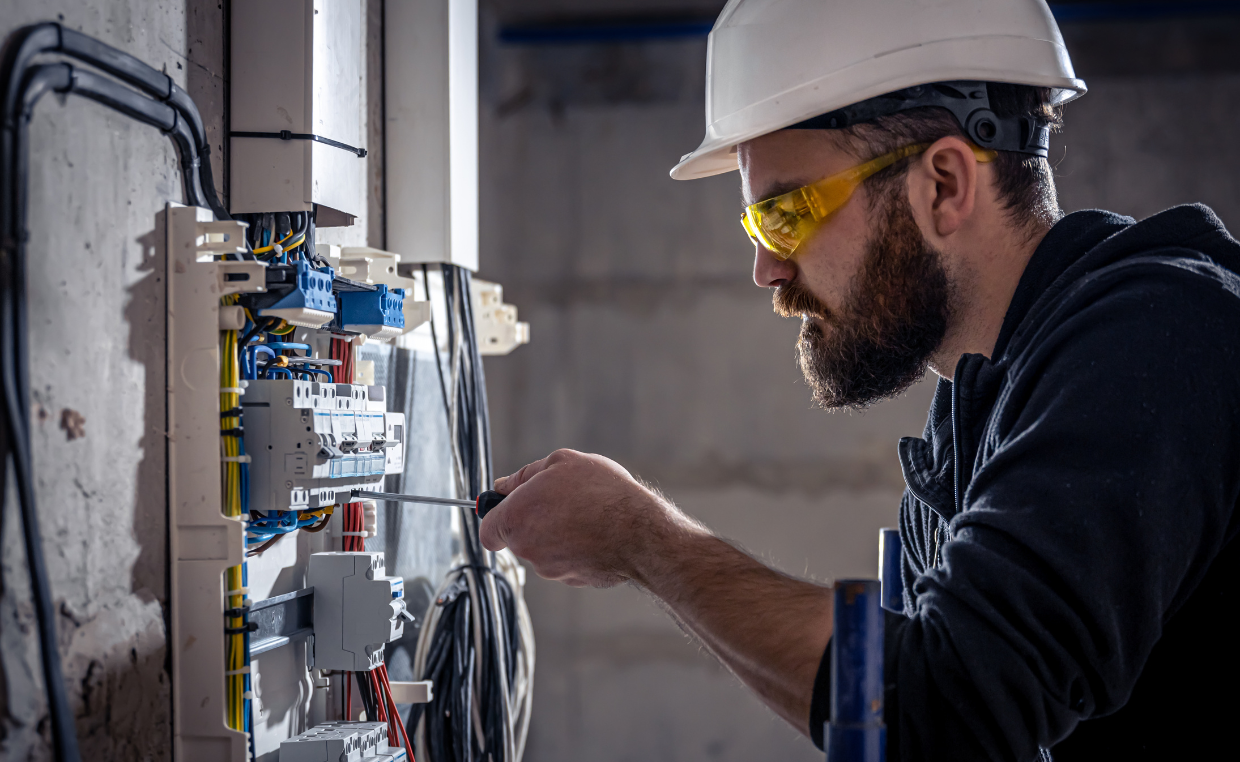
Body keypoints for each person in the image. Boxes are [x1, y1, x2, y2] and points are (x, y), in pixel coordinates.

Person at [478, 1, 1240, 759]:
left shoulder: (1161, 339)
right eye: (758, 226)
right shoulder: (979, 415)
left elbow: (945, 705)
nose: (766, 269)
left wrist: (643, 538)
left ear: (943, 184)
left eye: (788, 213)